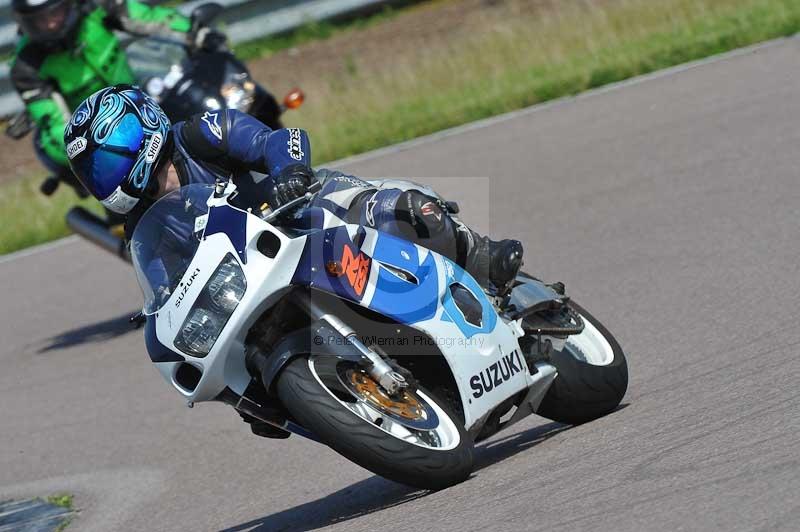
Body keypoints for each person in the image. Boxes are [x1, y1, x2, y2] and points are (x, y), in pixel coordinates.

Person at [64, 84, 524, 437]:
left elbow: (275, 140)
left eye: (111, 155)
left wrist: (289, 173)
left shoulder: (198, 136)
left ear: (141, 127)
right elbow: (167, 290)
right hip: (254, 281)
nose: (109, 174)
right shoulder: (145, 226)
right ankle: (269, 400)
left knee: (392, 209)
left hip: (300, 216)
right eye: (95, 172)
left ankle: (481, 256)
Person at [10, 0, 224, 196]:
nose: (51, 24)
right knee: (122, 189)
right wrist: (93, 149)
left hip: (144, 103)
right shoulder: (26, 65)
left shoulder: (95, 7)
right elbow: (55, 124)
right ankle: (130, 233)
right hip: (103, 141)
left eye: (55, 13)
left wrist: (195, 32)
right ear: (25, 23)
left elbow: (147, 18)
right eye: (40, 20)